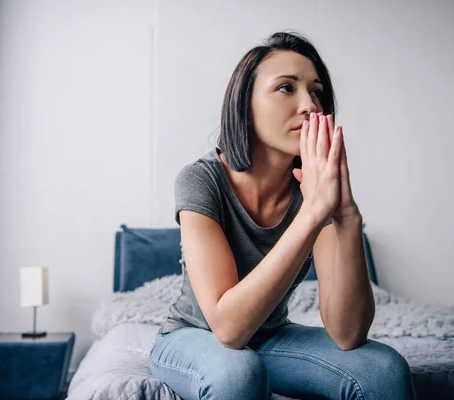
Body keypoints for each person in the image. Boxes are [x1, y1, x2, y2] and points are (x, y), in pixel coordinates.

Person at [149, 31, 416, 400]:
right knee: (237, 371)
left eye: (317, 91)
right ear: (246, 103)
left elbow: (348, 333)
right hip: (192, 336)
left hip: (272, 338)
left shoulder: (314, 191)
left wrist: (347, 217)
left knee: (383, 370)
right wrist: (311, 213)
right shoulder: (200, 179)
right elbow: (227, 330)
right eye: (287, 88)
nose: (310, 104)